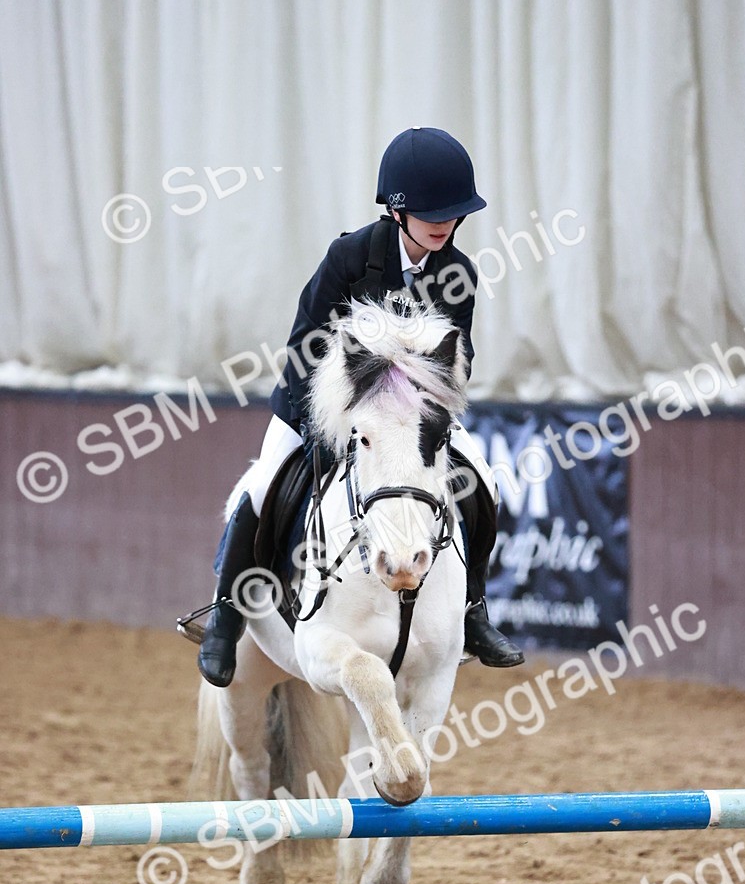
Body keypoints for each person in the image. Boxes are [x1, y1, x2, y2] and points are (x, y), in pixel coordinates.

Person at [198, 126, 524, 687]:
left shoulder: (460, 277)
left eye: (451, 211)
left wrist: (424, 419)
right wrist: (330, 419)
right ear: (398, 211)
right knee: (261, 483)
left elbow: (456, 364)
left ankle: (473, 611)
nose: (443, 221)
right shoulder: (350, 257)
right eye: (429, 211)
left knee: (485, 482)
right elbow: (306, 344)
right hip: (324, 405)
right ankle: (226, 616)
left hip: (413, 422)